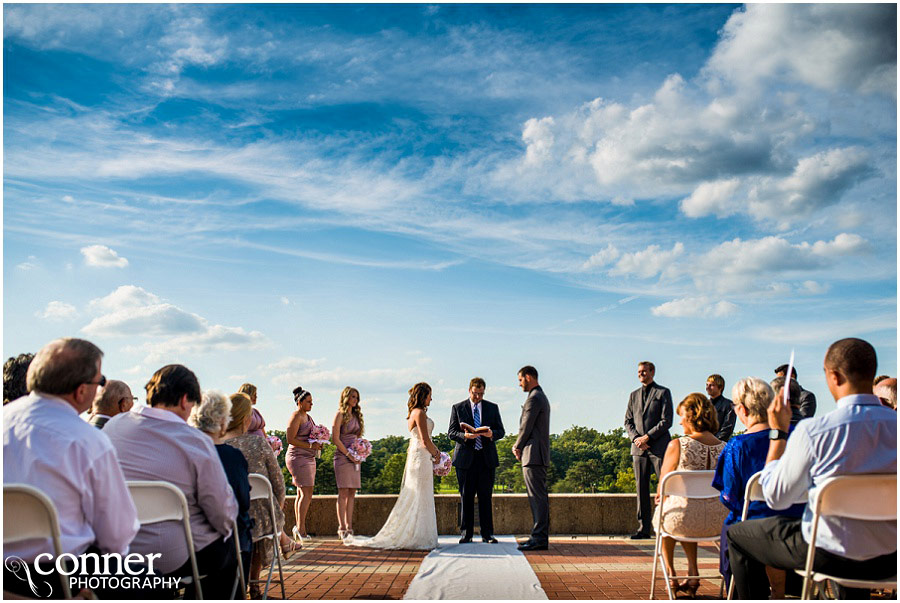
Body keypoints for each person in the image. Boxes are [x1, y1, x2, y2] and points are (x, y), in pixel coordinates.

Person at [729, 338, 897, 600]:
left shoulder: (815, 432)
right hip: (891, 557)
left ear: (834, 376)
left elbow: (776, 497)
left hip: (828, 555)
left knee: (738, 535)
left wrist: (778, 435)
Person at [3, 338, 140, 599]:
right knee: (150, 580)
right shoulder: (87, 440)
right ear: (81, 391)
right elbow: (117, 535)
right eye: (101, 382)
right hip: (60, 578)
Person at [104, 364, 239, 600]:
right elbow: (222, 512)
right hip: (170, 556)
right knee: (228, 549)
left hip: (115, 552)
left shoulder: (112, 428)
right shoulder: (196, 442)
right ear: (185, 399)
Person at [711, 377, 804, 597]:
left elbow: (729, 497)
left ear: (742, 409)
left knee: (731, 528)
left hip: (753, 527)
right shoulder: (797, 438)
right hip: (798, 524)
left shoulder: (737, 446)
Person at [223, 392, 299, 599]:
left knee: (251, 521)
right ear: (247, 418)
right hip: (261, 519)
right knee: (260, 521)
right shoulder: (258, 444)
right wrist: (277, 507)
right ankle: (255, 585)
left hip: (225, 518)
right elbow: (278, 484)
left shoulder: (217, 446)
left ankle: (238, 583)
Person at [346, 382, 440, 550]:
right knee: (420, 495)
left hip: (418, 457)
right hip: (422, 457)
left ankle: (419, 533)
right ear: (423, 395)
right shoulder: (418, 413)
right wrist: (439, 455)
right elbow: (425, 441)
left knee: (419, 496)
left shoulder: (414, 413)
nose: (431, 399)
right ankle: (418, 536)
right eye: (429, 395)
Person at [652, 393, 728, 596]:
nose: (679, 421)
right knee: (687, 508)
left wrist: (661, 498)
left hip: (683, 519)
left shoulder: (678, 445)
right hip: (718, 521)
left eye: (682, 416)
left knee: (668, 513)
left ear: (692, 417)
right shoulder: (725, 448)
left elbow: (663, 487)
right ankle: (693, 573)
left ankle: (671, 574)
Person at [189, 390, 253, 590]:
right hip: (218, 543)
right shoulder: (232, 457)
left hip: (183, 540)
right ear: (224, 422)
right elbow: (243, 501)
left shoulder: (185, 451)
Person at [449, 377, 506, 544]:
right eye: (475, 394)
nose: (478, 397)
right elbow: (451, 432)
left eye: (481, 394)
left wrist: (491, 434)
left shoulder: (492, 408)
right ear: (469, 391)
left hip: (486, 459)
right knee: (466, 497)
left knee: (485, 498)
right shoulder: (458, 407)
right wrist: (464, 436)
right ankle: (466, 534)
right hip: (465, 460)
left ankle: (487, 534)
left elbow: (501, 431)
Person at [624, 360, 673, 539]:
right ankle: (643, 528)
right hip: (638, 449)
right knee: (641, 489)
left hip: (658, 447)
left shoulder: (663, 392)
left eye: (644, 371)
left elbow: (666, 420)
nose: (641, 374)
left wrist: (648, 437)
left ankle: (665, 526)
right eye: (639, 372)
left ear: (652, 372)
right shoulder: (633, 395)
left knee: (665, 487)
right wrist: (637, 439)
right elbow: (627, 421)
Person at [514, 366, 551, 551]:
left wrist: (517, 445)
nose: (519, 383)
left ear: (528, 377)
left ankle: (539, 538)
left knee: (537, 498)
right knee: (538, 497)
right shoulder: (539, 396)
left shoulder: (534, 398)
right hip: (538, 454)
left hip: (533, 455)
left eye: (520, 379)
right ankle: (538, 536)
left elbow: (526, 426)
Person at [285, 386, 321, 541]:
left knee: (302, 493)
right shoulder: (296, 416)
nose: (311, 404)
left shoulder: (307, 416)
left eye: (312, 402)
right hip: (298, 457)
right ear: (299, 402)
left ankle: (298, 528)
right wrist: (311, 446)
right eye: (308, 402)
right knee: (307, 492)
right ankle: (301, 529)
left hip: (308, 458)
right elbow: (290, 439)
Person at [332, 386, 364, 540]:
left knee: (352, 492)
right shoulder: (340, 415)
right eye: (352, 397)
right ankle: (342, 527)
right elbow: (335, 439)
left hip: (355, 458)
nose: (355, 400)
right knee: (343, 492)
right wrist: (348, 454)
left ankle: (350, 526)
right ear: (346, 397)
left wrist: (361, 451)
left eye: (356, 398)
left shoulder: (357, 416)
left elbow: (358, 437)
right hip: (342, 457)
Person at [706, 374, 736, 441]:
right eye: (707, 385)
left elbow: (727, 429)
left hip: (719, 444)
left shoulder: (729, 405)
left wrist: (714, 442)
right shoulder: (703, 405)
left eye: (711, 385)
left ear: (720, 387)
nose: (707, 388)